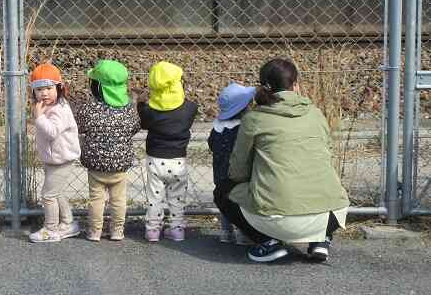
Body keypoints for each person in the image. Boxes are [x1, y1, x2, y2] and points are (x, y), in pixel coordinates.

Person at [223, 58, 350, 263]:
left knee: (222, 192)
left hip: (278, 219)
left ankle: (268, 242)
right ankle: (320, 240)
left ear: (263, 86)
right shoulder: (316, 114)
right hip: (332, 214)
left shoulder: (254, 119)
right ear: (296, 85)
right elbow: (328, 153)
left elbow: (238, 169)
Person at [75, 59, 140, 242]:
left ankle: (95, 232)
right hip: (120, 164)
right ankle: (117, 231)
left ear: (96, 86)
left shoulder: (89, 108)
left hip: (95, 163)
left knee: (96, 199)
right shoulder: (128, 108)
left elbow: (80, 126)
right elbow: (135, 127)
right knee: (118, 200)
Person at [137, 61, 198, 242]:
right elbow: (189, 106)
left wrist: (141, 104)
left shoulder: (149, 111)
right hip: (178, 161)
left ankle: (152, 230)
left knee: (154, 197)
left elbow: (144, 122)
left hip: (155, 160)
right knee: (177, 198)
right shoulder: (189, 109)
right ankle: (177, 230)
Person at [27, 63, 81, 243]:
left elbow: (52, 132)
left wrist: (39, 117)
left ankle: (50, 229)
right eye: (39, 89)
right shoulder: (48, 107)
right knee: (56, 192)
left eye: (49, 88)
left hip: (62, 160)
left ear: (59, 88)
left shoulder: (59, 109)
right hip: (54, 159)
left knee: (48, 195)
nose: (44, 93)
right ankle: (68, 224)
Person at [209, 82, 255, 245]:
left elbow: (211, 144)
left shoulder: (217, 127)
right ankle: (243, 233)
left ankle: (226, 233)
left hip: (219, 173)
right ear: (244, 108)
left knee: (224, 203)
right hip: (237, 174)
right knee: (238, 203)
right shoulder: (242, 128)